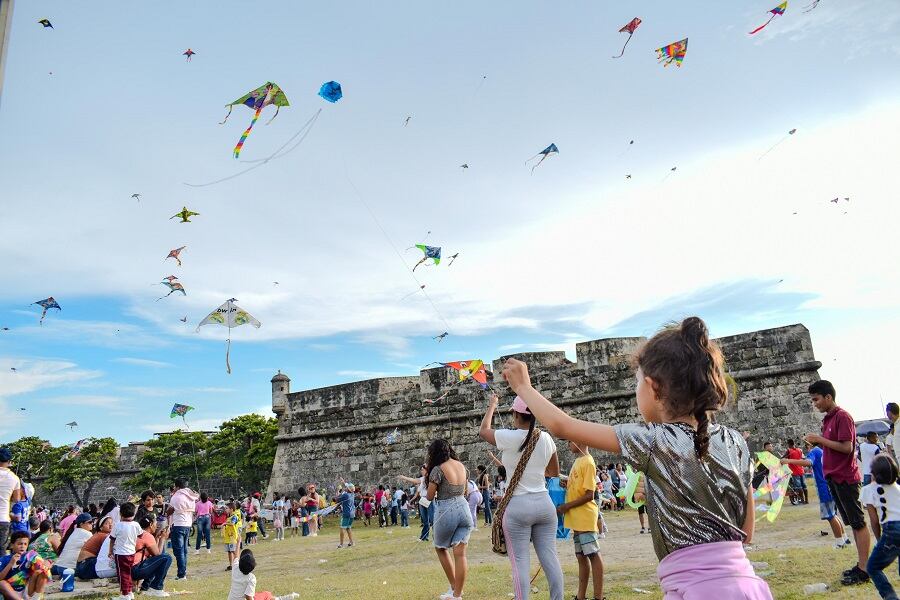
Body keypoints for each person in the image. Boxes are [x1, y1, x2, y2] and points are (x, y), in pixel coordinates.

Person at [502, 316, 771, 599]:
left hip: (696, 590)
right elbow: (746, 532)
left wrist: (524, 388)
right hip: (747, 585)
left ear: (653, 388)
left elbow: (564, 427)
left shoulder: (653, 439)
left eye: (637, 383)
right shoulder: (736, 441)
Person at [480, 393, 563, 600]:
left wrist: (492, 405)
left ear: (516, 414)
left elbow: (483, 431)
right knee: (550, 559)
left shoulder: (510, 436)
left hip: (518, 505)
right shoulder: (545, 438)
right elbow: (553, 472)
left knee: (520, 563)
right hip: (544, 504)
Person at [804, 379, 872, 586]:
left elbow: (846, 448)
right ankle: (861, 565)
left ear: (828, 397)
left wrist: (820, 440)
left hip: (846, 478)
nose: (814, 404)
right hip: (833, 477)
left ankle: (865, 569)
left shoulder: (843, 416)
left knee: (858, 523)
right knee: (852, 522)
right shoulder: (828, 419)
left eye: (816, 399)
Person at [423, 439, 473, 600]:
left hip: (446, 509)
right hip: (464, 508)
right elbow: (465, 491)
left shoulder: (438, 470)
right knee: (460, 554)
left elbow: (430, 496)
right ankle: (457, 594)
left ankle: (453, 587)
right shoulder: (462, 466)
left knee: (441, 547)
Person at [781, 441, 850, 549]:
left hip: (824, 488)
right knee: (833, 514)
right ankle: (845, 538)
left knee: (830, 516)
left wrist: (788, 461)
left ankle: (840, 542)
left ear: (809, 445)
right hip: (830, 485)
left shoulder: (814, 451)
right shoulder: (822, 451)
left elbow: (809, 462)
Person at [557, 441, 603, 600]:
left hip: (584, 516)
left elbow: (590, 494)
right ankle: (580, 596)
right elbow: (579, 488)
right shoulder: (578, 461)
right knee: (580, 556)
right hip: (576, 518)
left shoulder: (588, 462)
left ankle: (598, 596)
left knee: (593, 554)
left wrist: (566, 506)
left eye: (570, 441)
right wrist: (567, 484)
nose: (568, 444)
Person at [862, 454, 900, 599]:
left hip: (892, 530)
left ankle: (891, 597)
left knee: (872, 567)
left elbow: (874, 520)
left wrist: (879, 539)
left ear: (874, 473)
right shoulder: (898, 488)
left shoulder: (868, 490)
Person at [227, 549, 298, 600]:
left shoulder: (235, 568)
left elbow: (236, 556)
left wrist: (238, 542)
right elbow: (248, 596)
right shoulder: (251, 578)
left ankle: (283, 598)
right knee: (266, 595)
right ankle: (283, 598)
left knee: (264, 595)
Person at [0, 531, 50, 599]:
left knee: (43, 571)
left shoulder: (31, 556)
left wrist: (46, 564)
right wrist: (10, 564)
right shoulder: (4, 559)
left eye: (25, 544)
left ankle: (36, 597)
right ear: (12, 545)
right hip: (11, 591)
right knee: (2, 583)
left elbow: (41, 566)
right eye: (20, 544)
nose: (22, 546)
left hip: (27, 589)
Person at [131, 515, 172, 597]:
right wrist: (163, 538)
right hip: (136, 570)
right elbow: (158, 554)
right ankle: (156, 588)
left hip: (129, 569)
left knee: (154, 561)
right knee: (167, 558)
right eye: (155, 523)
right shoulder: (147, 535)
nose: (157, 526)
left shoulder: (138, 533)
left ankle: (145, 588)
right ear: (150, 524)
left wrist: (157, 538)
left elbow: (154, 555)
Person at [108, 501, 142, 600]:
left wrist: (110, 551)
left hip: (120, 553)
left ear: (121, 513)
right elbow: (140, 535)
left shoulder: (118, 525)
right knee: (128, 572)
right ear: (134, 513)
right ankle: (130, 592)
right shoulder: (135, 524)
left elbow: (112, 539)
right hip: (131, 552)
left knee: (122, 574)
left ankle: (124, 594)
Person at [167, 477, 198, 581]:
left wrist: (167, 512)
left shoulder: (176, 496)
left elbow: (170, 510)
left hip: (178, 525)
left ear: (177, 486)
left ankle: (181, 574)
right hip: (188, 525)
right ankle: (183, 571)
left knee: (179, 551)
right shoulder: (191, 496)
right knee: (184, 550)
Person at [74, 514, 114, 580]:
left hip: (80, 566)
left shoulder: (97, 534)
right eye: (107, 523)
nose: (111, 525)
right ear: (101, 527)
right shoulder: (104, 536)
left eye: (111, 523)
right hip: (87, 565)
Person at [55, 512, 94, 577]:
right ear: (81, 524)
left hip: (60, 568)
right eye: (90, 522)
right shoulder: (87, 534)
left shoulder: (74, 531)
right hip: (70, 570)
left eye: (92, 522)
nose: (92, 524)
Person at [0, 447, 22, 554]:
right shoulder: (14, 478)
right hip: (3, 518)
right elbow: (17, 499)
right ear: (9, 461)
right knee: (1, 550)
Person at [784, 439, 809, 504]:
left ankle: (802, 500)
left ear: (788, 444)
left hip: (794, 471)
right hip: (801, 470)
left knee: (799, 486)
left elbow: (783, 458)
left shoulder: (789, 450)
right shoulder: (800, 450)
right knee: (804, 486)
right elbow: (803, 458)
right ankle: (806, 500)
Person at [222, 502, 242, 571]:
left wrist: (225, 523)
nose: (225, 509)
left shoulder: (235, 517)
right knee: (229, 551)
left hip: (233, 537)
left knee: (233, 551)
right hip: (228, 537)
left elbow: (232, 523)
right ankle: (231, 565)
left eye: (227, 508)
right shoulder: (228, 517)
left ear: (231, 509)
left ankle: (238, 564)